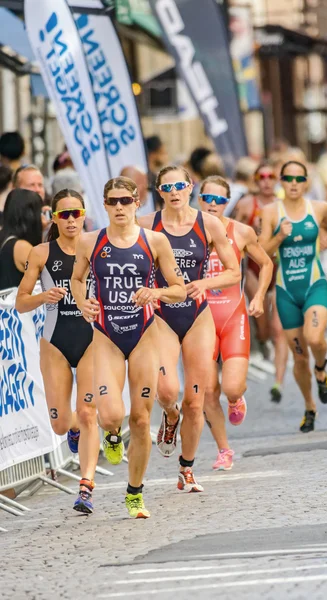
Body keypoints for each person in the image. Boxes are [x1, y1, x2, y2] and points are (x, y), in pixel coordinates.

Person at [71, 176, 186, 519]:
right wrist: (81, 302)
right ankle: (111, 435)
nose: (119, 207)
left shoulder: (156, 241)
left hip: (144, 335)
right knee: (109, 416)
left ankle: (135, 493)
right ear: (104, 205)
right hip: (106, 335)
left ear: (137, 202)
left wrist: (157, 293)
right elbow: (77, 280)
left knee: (139, 417)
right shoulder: (90, 242)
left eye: (125, 200)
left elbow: (180, 289)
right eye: (112, 202)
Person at [138, 165, 240, 492]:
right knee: (168, 391)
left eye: (180, 185)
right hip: (163, 315)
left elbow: (234, 271)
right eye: (167, 188)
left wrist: (204, 282)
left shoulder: (207, 223)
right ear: (159, 191)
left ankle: (187, 467)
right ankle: (170, 417)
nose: (175, 192)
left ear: (190, 186)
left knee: (197, 401)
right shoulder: (146, 225)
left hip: (197, 315)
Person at [15, 189, 98, 514]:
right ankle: (73, 428)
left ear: (83, 213)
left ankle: (86, 487)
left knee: (89, 412)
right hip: (55, 341)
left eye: (76, 213)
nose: (71, 220)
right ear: (53, 218)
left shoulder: (97, 246)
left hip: (91, 339)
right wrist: (43, 297)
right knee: (62, 424)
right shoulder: (41, 253)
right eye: (64, 214)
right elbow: (21, 302)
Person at [260, 160, 327, 433]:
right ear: (281, 182)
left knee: (314, 338)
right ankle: (310, 406)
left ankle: (321, 370)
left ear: (306, 182)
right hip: (286, 292)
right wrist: (279, 237)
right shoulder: (271, 211)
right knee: (299, 358)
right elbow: (262, 252)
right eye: (288, 179)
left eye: (299, 179)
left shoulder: (318, 208)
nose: (294, 184)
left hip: (314, 285)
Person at [200, 175, 273, 470]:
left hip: (232, 317)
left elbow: (266, 263)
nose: (213, 204)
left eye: (219, 200)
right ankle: (223, 450)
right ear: (199, 199)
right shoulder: (181, 234)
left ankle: (236, 399)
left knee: (231, 387)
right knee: (207, 391)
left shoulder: (240, 232)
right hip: (198, 322)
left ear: (227, 203)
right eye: (208, 198)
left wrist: (258, 298)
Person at [235, 161, 289, 399]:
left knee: (279, 327)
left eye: (271, 176)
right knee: (262, 319)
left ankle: (278, 380)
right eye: (262, 176)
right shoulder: (247, 204)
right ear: (256, 180)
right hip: (253, 268)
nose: (266, 181)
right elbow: (231, 231)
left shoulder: (284, 205)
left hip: (278, 268)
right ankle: (262, 338)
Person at [0, 189, 43, 290]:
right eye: (40, 213)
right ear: (31, 216)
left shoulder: (5, 239)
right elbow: (50, 276)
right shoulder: (22, 247)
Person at [146, 135, 169, 210]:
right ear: (153, 154)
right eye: (163, 152)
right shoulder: (151, 179)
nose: (166, 156)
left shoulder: (154, 177)